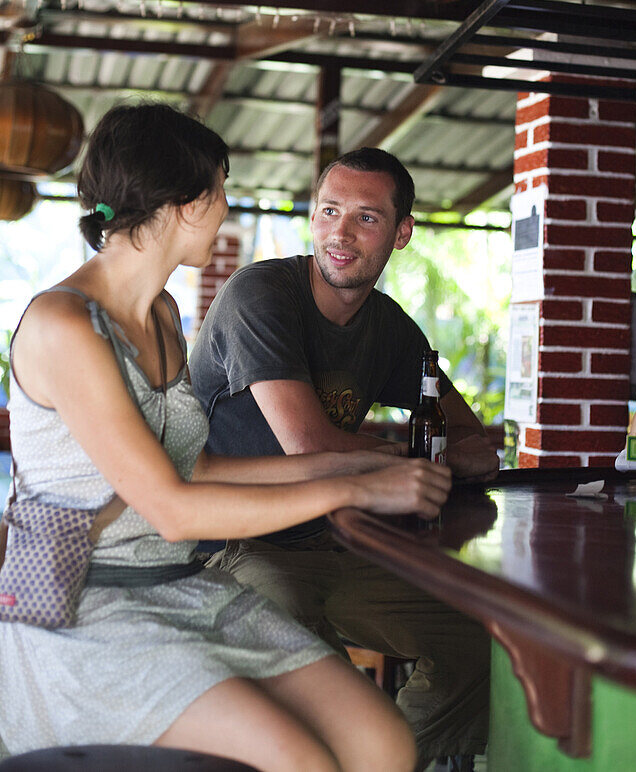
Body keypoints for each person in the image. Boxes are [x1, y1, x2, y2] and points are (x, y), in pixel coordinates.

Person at [0, 105, 454, 772]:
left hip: (174, 584)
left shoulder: (163, 312)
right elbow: (173, 507)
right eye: (222, 189)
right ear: (185, 202)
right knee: (301, 761)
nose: (227, 208)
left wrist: (359, 467)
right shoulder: (65, 325)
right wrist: (352, 486)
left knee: (383, 744)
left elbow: (197, 465)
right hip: (76, 603)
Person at [189, 147, 499, 769]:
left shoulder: (389, 329)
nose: (341, 232)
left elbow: (475, 445)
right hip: (229, 548)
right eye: (329, 211)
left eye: (366, 217)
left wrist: (436, 460)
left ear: (401, 233)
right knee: (333, 699)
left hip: (335, 544)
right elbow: (308, 445)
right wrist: (410, 459)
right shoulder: (261, 295)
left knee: (479, 646)